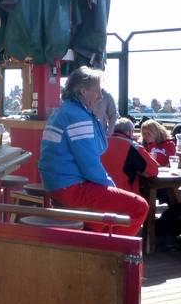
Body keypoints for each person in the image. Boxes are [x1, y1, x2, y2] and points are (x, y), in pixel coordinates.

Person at [38, 67, 148, 236]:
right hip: (70, 187)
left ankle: (91, 241)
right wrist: (111, 188)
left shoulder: (62, 111)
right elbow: (89, 164)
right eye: (97, 90)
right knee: (139, 206)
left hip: (54, 184)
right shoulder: (78, 116)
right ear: (83, 91)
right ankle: (112, 249)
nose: (100, 96)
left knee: (104, 213)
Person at [101, 117, 159, 194]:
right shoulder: (133, 146)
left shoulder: (100, 143)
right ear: (130, 132)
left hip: (100, 192)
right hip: (124, 194)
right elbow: (154, 170)